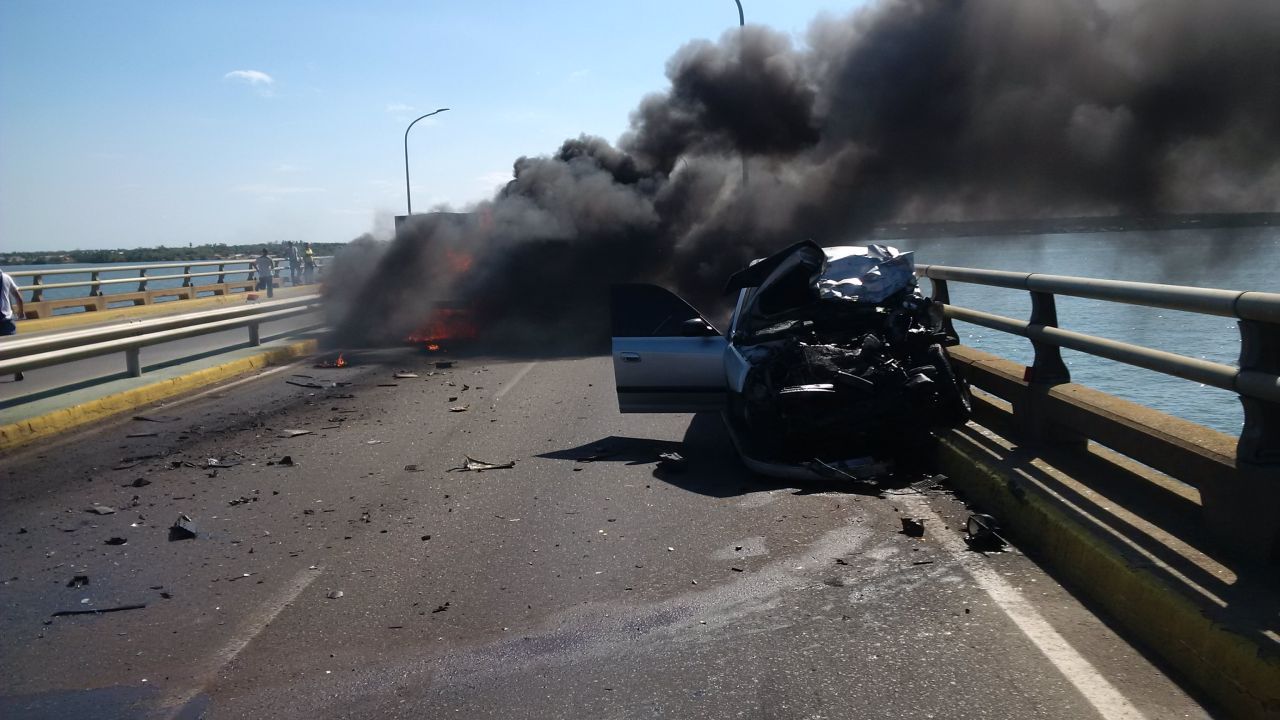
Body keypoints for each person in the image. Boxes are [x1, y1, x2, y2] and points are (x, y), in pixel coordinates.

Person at [1, 267, 26, 381]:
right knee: (12, 346)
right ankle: (17, 369)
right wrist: (21, 312)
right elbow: (18, 298)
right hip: (6, 318)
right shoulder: (6, 278)